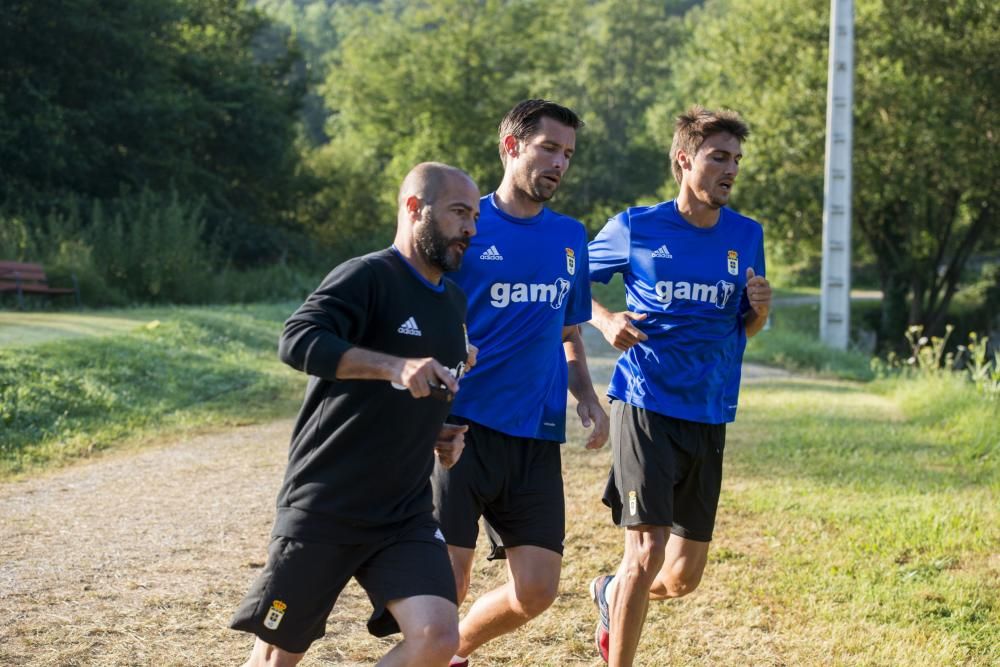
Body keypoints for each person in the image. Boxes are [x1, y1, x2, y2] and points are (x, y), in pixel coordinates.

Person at [229, 162, 481, 667]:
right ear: (415, 209)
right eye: (458, 213)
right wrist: (394, 366)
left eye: (474, 216)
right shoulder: (368, 276)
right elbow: (296, 339)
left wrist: (439, 435)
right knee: (277, 657)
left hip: (403, 512)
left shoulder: (453, 300)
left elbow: (419, 390)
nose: (470, 229)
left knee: (437, 636)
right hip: (329, 504)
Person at [586, 106, 772, 666]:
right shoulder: (636, 226)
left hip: (710, 409)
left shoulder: (746, 234)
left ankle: (608, 592)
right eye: (719, 156)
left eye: (736, 159)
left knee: (683, 577)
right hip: (645, 401)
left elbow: (745, 325)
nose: (730, 169)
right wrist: (606, 320)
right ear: (684, 160)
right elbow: (568, 283)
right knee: (644, 554)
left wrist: (760, 312)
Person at [430, 99, 609, 667]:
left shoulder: (570, 236)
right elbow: (420, 307)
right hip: (462, 430)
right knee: (444, 590)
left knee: (537, 590)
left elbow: (567, 326)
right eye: (548, 148)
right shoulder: (466, 225)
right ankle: (430, 648)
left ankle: (454, 650)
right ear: (511, 147)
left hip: (536, 434)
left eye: (569, 154)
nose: (560, 163)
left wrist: (586, 394)